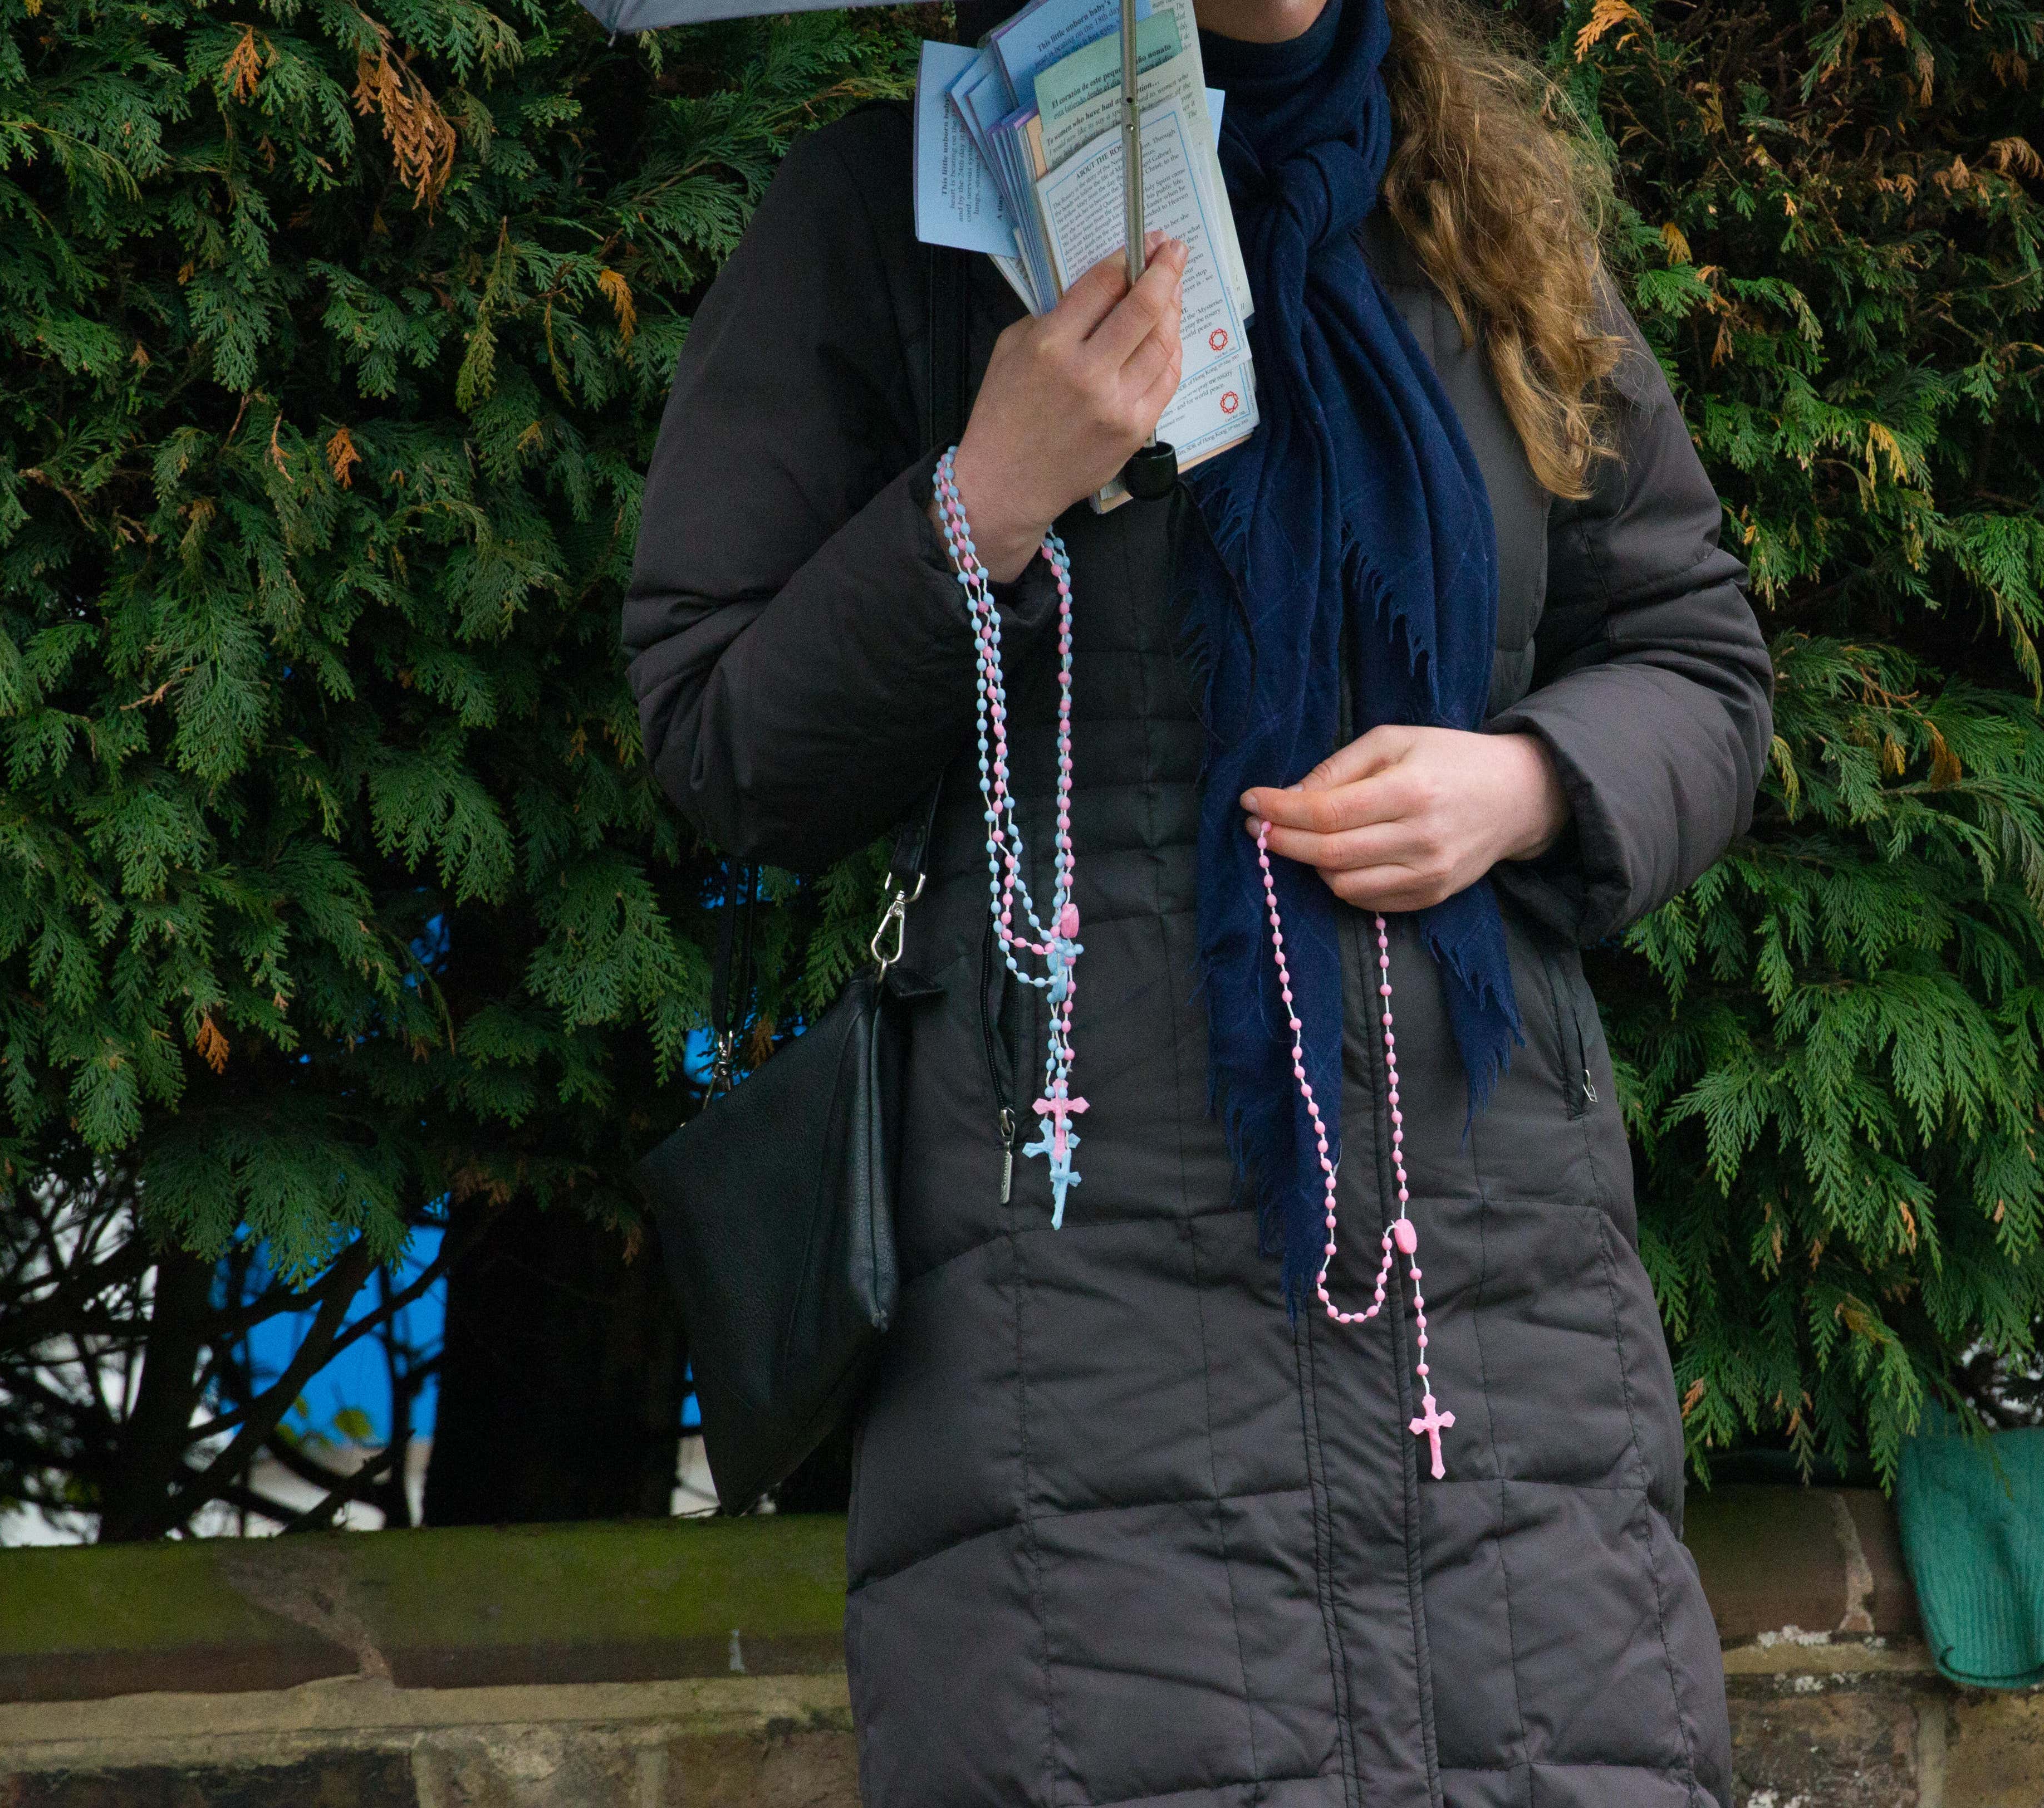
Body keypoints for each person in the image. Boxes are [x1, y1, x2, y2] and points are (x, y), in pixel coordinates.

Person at [622, 0, 1774, 1796]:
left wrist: (1530, 784)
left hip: (1493, 1303)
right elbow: (726, 742)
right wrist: (986, 495)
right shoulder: (893, 226)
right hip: (1076, 1322)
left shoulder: (1472, 219)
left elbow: (1696, 657)